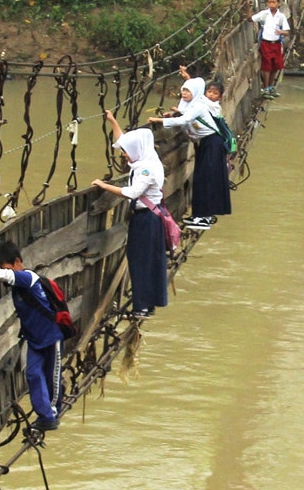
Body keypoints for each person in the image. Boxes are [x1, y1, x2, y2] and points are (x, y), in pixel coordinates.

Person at [0, 243, 62, 432]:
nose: (5, 276)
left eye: (8, 267)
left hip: (51, 336)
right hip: (34, 339)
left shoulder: (27, 277)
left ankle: (52, 413)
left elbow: (0, 274)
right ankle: (45, 415)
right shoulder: (17, 280)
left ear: (17, 262)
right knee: (33, 374)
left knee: (52, 376)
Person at [91, 112, 168, 318]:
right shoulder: (148, 157)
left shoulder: (145, 169)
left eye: (126, 152)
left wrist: (104, 185)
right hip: (149, 216)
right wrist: (113, 121)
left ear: (136, 149)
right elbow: (123, 140)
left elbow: (133, 193)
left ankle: (141, 307)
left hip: (147, 219)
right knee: (147, 260)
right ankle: (147, 304)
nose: (124, 155)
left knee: (140, 260)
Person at [148, 80, 233, 230]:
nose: (185, 94)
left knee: (205, 179)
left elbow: (185, 119)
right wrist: (174, 114)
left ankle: (203, 217)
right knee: (201, 179)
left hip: (212, 144)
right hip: (206, 144)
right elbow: (184, 116)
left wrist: (160, 120)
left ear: (196, 92)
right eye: (184, 90)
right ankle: (199, 215)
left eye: (189, 91)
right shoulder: (193, 106)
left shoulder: (199, 106)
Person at [250, 0, 290, 98]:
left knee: (276, 66)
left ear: (278, 3)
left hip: (276, 44)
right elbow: (251, 19)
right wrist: (246, 7)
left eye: (274, 2)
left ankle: (270, 87)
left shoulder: (281, 17)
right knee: (267, 66)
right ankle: (266, 88)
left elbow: (287, 32)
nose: (272, 4)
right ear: (267, 3)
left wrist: (281, 32)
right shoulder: (264, 14)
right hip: (266, 43)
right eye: (270, 2)